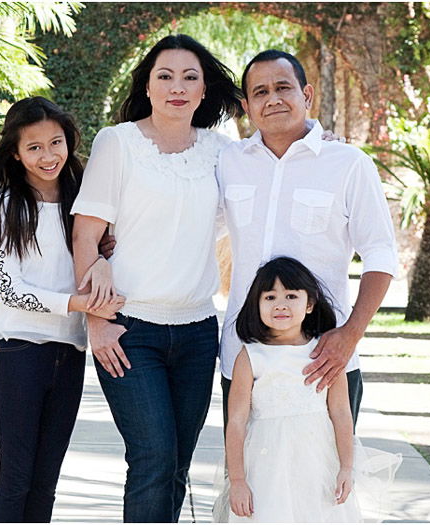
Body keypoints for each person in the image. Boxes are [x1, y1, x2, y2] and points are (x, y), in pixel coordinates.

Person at [70, 35, 242, 523]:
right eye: (165, 76)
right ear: (147, 86)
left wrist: (319, 136)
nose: (177, 87)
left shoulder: (221, 152)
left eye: (190, 77)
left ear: (205, 89)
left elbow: (275, 174)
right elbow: (86, 236)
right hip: (129, 329)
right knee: (152, 459)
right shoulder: (118, 142)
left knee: (177, 465)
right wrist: (97, 322)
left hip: (196, 331)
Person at [217, 50, 398, 429]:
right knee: (249, 480)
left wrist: (350, 335)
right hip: (245, 357)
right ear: (247, 106)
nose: (273, 99)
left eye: (283, 87)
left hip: (325, 358)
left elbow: (381, 255)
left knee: (328, 482)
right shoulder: (227, 163)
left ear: (307, 95)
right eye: (260, 92)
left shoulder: (348, 164)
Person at [0, 96, 124, 523]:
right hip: (18, 349)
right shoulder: (5, 202)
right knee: (18, 475)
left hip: (69, 350)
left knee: (46, 479)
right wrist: (77, 304)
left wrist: (107, 251)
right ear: (15, 152)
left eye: (55, 143)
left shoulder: (82, 199)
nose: (48, 156)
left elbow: (97, 255)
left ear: (69, 141)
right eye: (35, 147)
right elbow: (10, 290)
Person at [218, 257, 401, 523]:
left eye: (291, 295)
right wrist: (237, 480)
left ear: (310, 304)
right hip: (266, 468)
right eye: (269, 297)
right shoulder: (250, 357)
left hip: (318, 466)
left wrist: (346, 468)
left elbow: (340, 412)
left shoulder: (325, 354)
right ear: (256, 305)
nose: (280, 304)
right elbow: (235, 421)